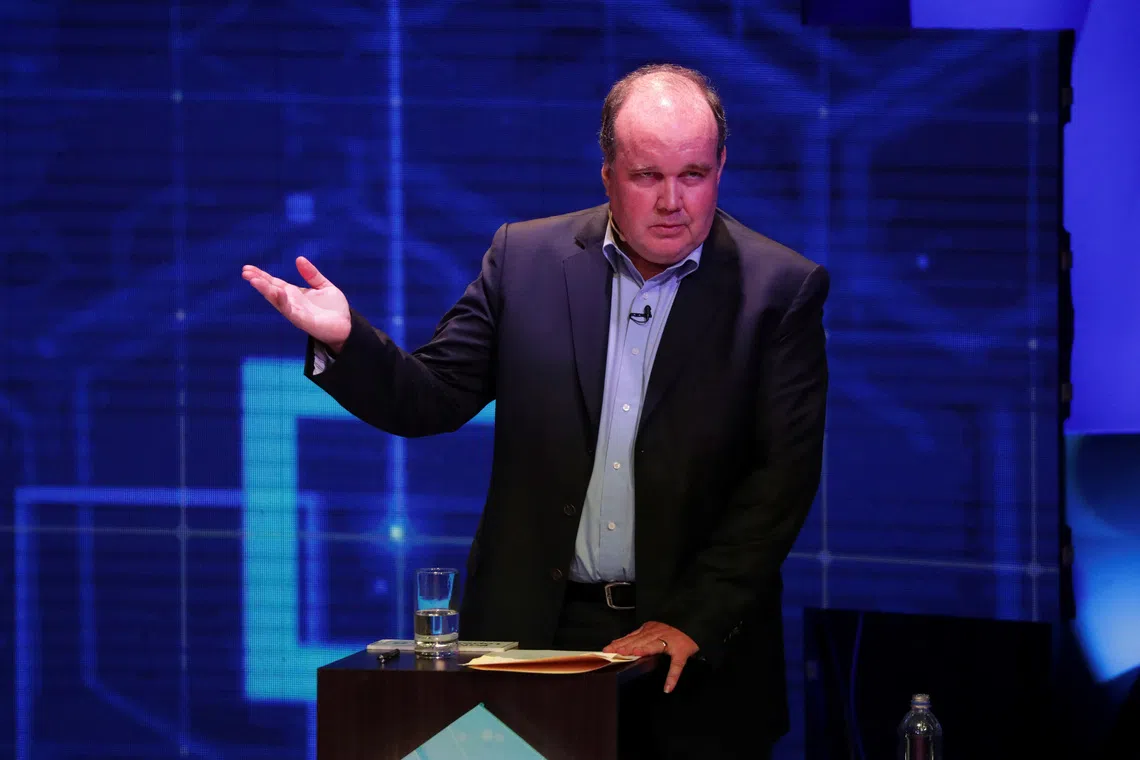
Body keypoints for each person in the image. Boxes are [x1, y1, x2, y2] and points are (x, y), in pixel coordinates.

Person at [243, 63, 828, 759]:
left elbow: (781, 482)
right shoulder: (524, 259)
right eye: (648, 177)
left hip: (688, 656)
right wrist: (345, 339)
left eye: (694, 175)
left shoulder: (779, 291)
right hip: (532, 641)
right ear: (608, 171)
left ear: (722, 166)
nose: (673, 201)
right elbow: (428, 399)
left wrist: (692, 621)